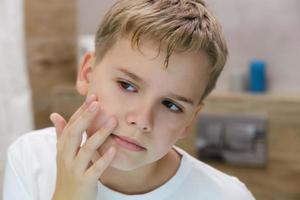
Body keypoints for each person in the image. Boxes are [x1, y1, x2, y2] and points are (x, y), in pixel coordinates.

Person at [3, 0, 255, 199]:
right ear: (87, 73)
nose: (142, 120)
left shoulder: (228, 196)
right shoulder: (32, 159)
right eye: (127, 85)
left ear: (189, 121)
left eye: (171, 105)